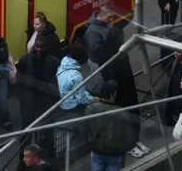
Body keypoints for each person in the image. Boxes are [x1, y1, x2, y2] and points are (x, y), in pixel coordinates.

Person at [101, 28, 151, 158]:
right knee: (125, 120)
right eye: (121, 39)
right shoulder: (111, 59)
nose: (124, 40)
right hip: (121, 94)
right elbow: (111, 79)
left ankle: (135, 140)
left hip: (129, 89)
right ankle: (128, 145)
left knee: (134, 116)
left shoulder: (123, 54)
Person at [79, 79, 140, 171]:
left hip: (97, 152)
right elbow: (131, 136)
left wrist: (90, 144)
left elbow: (83, 130)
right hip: (115, 154)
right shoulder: (122, 113)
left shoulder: (91, 109)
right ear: (113, 94)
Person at [16, 39, 60, 158]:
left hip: (38, 101)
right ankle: (37, 157)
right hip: (34, 101)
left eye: (41, 47)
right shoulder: (27, 60)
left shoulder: (27, 60)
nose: (39, 50)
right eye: (37, 47)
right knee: (33, 131)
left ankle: (41, 157)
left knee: (38, 131)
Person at [56, 43, 97, 114]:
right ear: (80, 60)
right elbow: (82, 99)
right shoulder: (76, 76)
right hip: (72, 108)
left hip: (62, 103)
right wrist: (94, 99)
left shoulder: (62, 64)